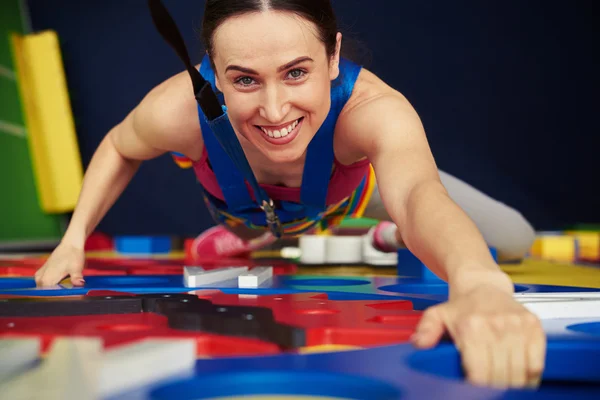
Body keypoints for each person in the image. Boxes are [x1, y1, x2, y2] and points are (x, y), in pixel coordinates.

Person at [34, 0, 544, 389]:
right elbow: (120, 146)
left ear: (333, 57)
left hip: (353, 203)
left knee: (512, 237)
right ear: (212, 69)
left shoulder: (372, 110)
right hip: (245, 215)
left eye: (296, 72)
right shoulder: (180, 109)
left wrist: (478, 282)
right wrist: (74, 239)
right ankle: (252, 240)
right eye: (245, 80)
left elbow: (414, 194)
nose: (274, 111)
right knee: (258, 239)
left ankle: (382, 237)